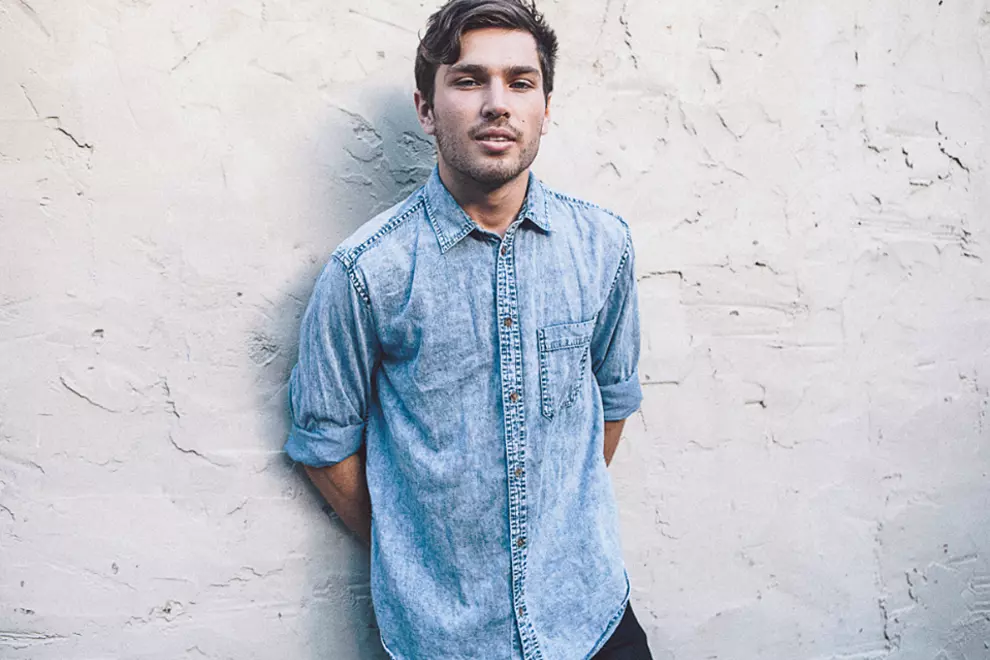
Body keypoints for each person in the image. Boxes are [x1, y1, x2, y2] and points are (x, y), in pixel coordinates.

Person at [285, 1, 652, 657]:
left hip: (588, 617)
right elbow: (323, 444)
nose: (497, 103)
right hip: (448, 639)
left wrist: (552, 532)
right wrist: (424, 556)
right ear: (426, 109)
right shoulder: (367, 272)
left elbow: (614, 401)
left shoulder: (604, 246)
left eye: (520, 82)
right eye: (468, 79)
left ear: (545, 106)